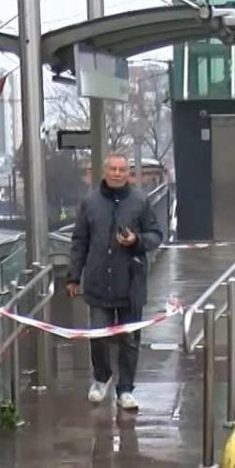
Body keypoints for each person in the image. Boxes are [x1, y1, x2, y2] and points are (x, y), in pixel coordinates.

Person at [66, 153, 165, 411]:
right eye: (113, 169)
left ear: (128, 173)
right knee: (98, 335)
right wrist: (74, 276)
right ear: (104, 172)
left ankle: (126, 389)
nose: (118, 173)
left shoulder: (140, 202)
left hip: (131, 283)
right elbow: (79, 242)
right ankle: (102, 377)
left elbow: (155, 234)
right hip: (98, 283)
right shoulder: (89, 203)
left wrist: (136, 241)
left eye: (123, 169)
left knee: (129, 339)